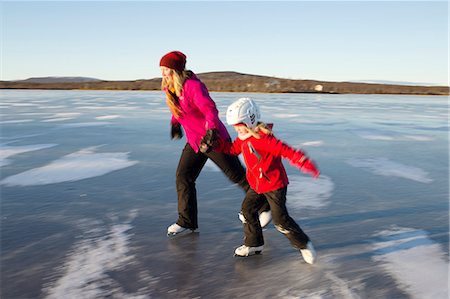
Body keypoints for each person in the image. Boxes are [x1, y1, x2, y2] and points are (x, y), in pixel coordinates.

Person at [159, 51, 271, 236]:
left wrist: (211, 131)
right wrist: (175, 123)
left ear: (176, 71)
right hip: (195, 142)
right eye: (162, 69)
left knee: (237, 176)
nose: (163, 73)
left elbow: (210, 109)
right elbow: (177, 107)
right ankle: (187, 221)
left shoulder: (193, 86)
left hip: (214, 140)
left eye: (166, 69)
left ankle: (264, 207)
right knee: (183, 177)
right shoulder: (170, 87)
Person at [209, 97, 320, 264]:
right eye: (235, 127)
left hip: (275, 185)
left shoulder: (264, 139)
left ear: (250, 120)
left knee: (281, 221)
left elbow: (286, 151)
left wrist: (304, 162)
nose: (236, 130)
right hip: (257, 185)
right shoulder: (243, 138)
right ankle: (254, 244)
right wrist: (215, 145)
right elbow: (232, 150)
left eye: (239, 126)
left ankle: (304, 244)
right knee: (247, 211)